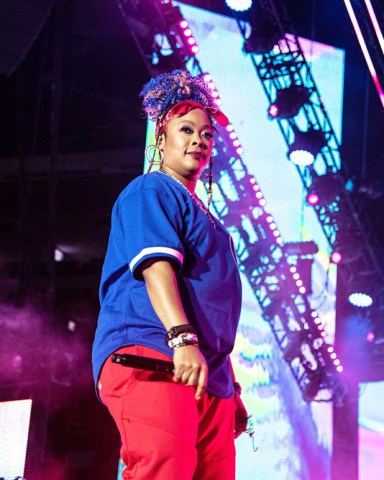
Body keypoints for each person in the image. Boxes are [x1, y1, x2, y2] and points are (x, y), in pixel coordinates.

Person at [92, 69, 248, 480]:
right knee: (166, 469)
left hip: (206, 373)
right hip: (154, 351)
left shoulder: (211, 222)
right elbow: (156, 266)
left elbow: (211, 309)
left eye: (208, 134)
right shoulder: (151, 190)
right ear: (160, 139)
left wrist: (230, 388)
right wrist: (180, 336)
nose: (200, 140)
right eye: (186, 130)